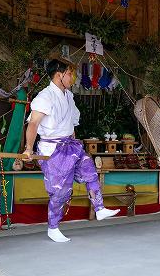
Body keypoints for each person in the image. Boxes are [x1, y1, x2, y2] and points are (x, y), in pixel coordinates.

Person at [23, 56, 119, 242]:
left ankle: (99, 208)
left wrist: (74, 140)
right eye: (70, 74)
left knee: (90, 170)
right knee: (61, 191)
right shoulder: (45, 96)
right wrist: (28, 148)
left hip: (70, 145)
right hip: (52, 149)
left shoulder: (69, 96)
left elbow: (71, 123)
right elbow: (33, 124)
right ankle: (53, 227)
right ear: (59, 75)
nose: (72, 78)